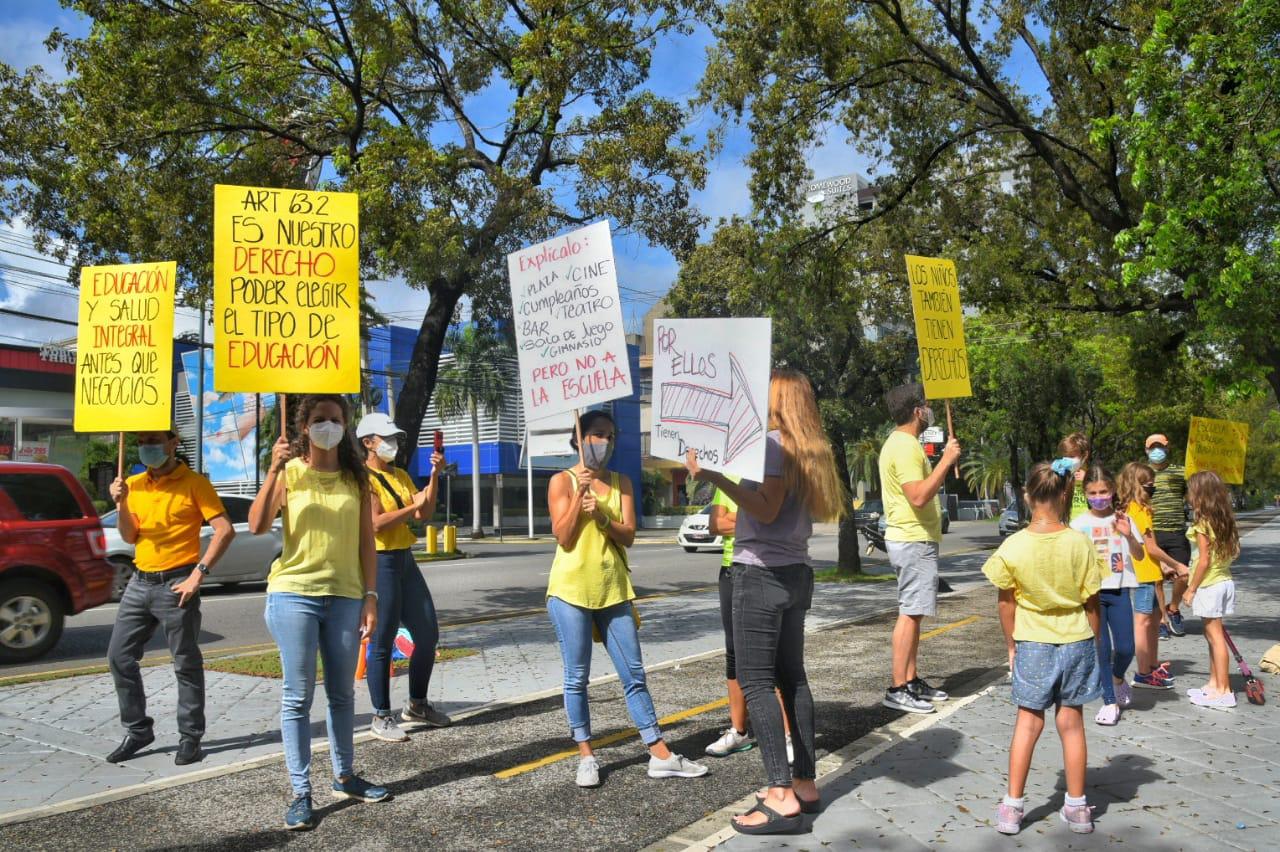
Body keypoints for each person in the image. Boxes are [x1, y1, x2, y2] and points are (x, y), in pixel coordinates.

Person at [685, 369, 845, 835]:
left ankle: (779, 795)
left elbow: (766, 507)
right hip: (795, 572)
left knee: (756, 683)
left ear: (777, 400)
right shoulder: (808, 448)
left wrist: (713, 474)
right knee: (792, 678)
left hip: (760, 574)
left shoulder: (773, 444)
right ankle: (804, 784)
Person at [248, 394, 389, 831]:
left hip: (346, 596)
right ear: (303, 427)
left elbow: (368, 542)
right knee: (298, 696)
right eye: (320, 419)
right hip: (293, 594)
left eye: (336, 419)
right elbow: (255, 525)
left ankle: (345, 776)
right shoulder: (289, 472)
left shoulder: (357, 478)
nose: (328, 425)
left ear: (346, 427)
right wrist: (273, 468)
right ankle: (300, 791)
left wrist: (370, 596)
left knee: (343, 694)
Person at [547, 410, 707, 789]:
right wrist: (580, 495)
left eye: (610, 436)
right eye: (597, 435)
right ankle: (586, 755)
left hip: (614, 590)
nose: (605, 442)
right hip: (570, 592)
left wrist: (601, 515)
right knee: (576, 678)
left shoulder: (622, 483)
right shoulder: (561, 481)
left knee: (633, 675)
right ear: (579, 438)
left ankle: (659, 753)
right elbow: (563, 536)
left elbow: (629, 535)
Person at [983, 460, 1103, 836]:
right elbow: (1092, 602)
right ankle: (1078, 807)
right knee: (1071, 723)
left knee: (1028, 722)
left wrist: (1011, 643)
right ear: (1065, 493)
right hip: (1075, 639)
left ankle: (1013, 807)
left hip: (1032, 641)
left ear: (1026, 495)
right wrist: (1092, 644)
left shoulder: (1013, 546)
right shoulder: (1080, 543)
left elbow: (1006, 603)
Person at [106, 428, 235, 766]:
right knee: (119, 657)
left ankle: (191, 737)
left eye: (153, 440)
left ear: (173, 442)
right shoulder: (132, 485)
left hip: (178, 581)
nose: (147, 447)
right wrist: (119, 504)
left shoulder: (194, 483)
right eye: (141, 442)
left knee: (185, 663)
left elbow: (225, 530)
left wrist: (198, 575)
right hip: (139, 582)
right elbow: (130, 535)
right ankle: (138, 731)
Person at [356, 412, 451, 741]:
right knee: (381, 642)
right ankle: (381, 715)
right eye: (386, 438)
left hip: (405, 560)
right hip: (380, 562)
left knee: (427, 634)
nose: (393, 443)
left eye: (395, 438)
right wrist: (412, 508)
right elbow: (377, 523)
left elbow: (425, 512)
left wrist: (435, 476)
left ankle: (417, 704)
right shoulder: (362, 479)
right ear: (368, 443)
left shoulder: (399, 475)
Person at [877, 383, 961, 715]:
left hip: (914, 537)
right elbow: (918, 495)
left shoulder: (901, 443)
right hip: (911, 538)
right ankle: (898, 687)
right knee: (910, 613)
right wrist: (947, 460)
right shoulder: (905, 446)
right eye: (925, 406)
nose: (929, 411)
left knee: (914, 611)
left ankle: (910, 680)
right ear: (916, 411)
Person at [703, 481, 794, 762]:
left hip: (764, 568)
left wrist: (743, 519)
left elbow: (773, 519)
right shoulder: (725, 475)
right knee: (734, 653)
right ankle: (738, 730)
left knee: (773, 654)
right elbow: (715, 524)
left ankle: (789, 736)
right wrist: (752, 518)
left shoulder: (771, 469)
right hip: (731, 571)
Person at [1069, 465, 1143, 725]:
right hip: (1092, 596)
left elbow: (1140, 555)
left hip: (1120, 590)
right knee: (1102, 649)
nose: (1099, 496)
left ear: (1112, 491)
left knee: (1126, 648)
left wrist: (1128, 536)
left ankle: (1118, 677)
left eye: (1103, 491)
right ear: (1085, 493)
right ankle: (1110, 702)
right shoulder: (1077, 525)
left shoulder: (1124, 520)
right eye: (1093, 492)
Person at [1118, 463, 1180, 689]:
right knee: (1143, 622)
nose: (1153, 488)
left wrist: (1163, 566)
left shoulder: (1136, 508)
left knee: (1154, 620)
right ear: (1137, 484)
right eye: (1149, 484)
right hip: (1143, 575)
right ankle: (1143, 672)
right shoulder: (1137, 510)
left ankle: (1152, 665)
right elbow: (1151, 548)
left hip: (1151, 573)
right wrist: (1177, 564)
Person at [1182, 471, 1241, 709]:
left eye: (1190, 491)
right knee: (1211, 635)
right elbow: (1234, 552)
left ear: (1199, 494)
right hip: (1224, 580)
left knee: (1215, 637)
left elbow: (1203, 560)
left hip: (1209, 584)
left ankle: (1224, 691)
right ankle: (1214, 683)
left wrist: (1191, 589)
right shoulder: (1224, 520)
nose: (1188, 496)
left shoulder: (1202, 524)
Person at [1145, 434, 1190, 636]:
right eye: (1152, 447)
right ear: (1146, 450)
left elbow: (1192, 496)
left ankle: (1174, 608)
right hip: (1151, 532)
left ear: (1167, 447)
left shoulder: (1182, 472)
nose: (1156, 450)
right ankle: (1161, 619)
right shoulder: (1142, 474)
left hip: (1176, 531)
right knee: (1156, 580)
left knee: (1183, 574)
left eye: (1160, 446)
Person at [1057, 433, 1092, 521]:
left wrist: (1087, 480)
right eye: (1065, 457)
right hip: (1069, 523)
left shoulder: (1094, 475)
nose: (1067, 460)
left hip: (1089, 522)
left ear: (1085, 455)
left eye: (1071, 456)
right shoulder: (1064, 476)